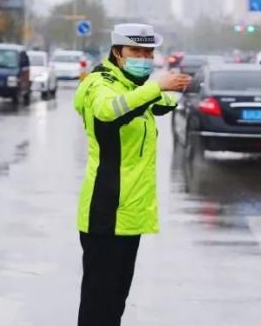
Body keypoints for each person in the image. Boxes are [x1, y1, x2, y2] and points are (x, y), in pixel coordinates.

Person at [73, 23, 191, 326]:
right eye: (136, 51)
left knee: (115, 303)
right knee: (97, 306)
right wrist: (155, 88)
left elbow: (159, 104)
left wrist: (174, 88)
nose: (144, 57)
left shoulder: (131, 87)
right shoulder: (99, 83)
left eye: (149, 52)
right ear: (118, 52)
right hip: (105, 212)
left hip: (130, 215)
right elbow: (109, 111)